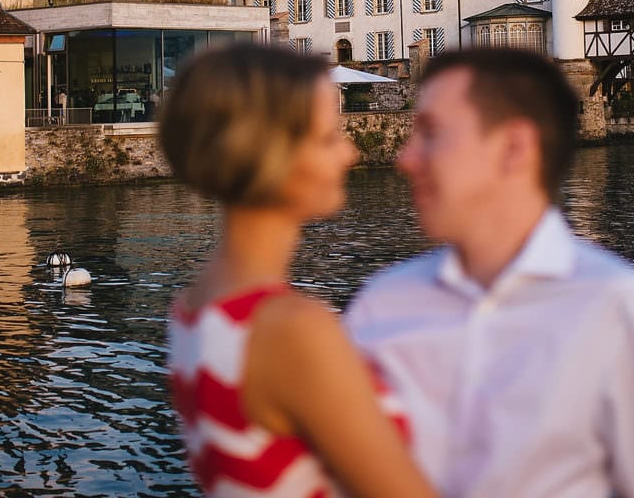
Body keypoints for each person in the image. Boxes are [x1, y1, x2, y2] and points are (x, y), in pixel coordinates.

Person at [346, 48, 634, 498]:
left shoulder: (620, 310)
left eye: (431, 133)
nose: (406, 158)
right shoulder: (379, 305)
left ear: (514, 148)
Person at [161, 43, 437, 498]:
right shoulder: (291, 330)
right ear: (275, 155)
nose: (349, 154)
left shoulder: (196, 305)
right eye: (329, 138)